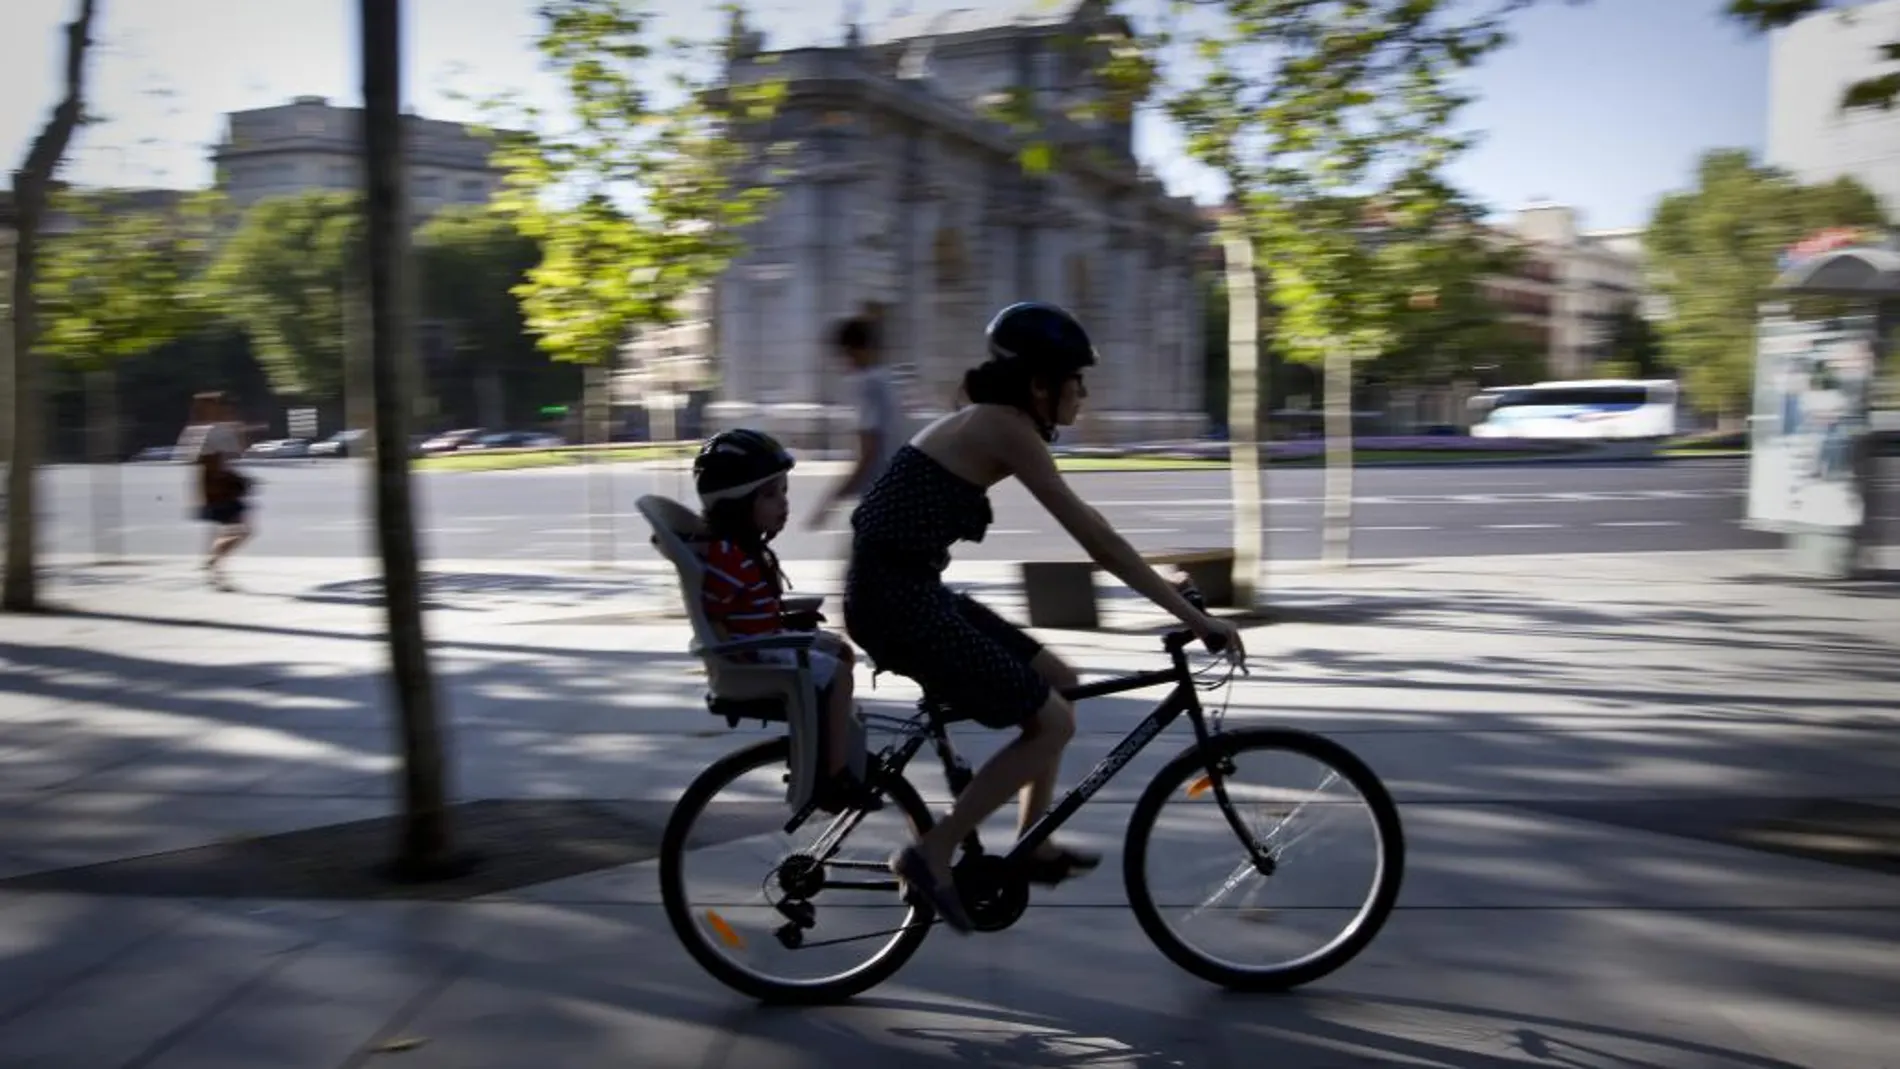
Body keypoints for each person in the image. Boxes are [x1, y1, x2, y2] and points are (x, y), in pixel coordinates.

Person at [842, 301, 1246, 932]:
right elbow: (1094, 538)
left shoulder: (995, 422)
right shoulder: (1005, 428)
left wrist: (1160, 582)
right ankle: (933, 850)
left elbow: (1096, 530)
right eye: (1076, 380)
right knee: (1051, 724)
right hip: (897, 604)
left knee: (1059, 679)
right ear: (1039, 384)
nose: (1083, 394)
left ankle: (1035, 844)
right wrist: (1193, 620)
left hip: (909, 590)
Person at [693, 428, 875, 814]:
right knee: (840, 675)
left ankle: (827, 743)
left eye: (784, 492)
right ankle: (835, 774)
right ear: (736, 502)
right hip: (757, 653)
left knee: (840, 653)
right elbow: (717, 612)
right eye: (770, 494)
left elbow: (747, 607)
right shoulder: (731, 558)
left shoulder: (739, 550)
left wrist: (787, 619)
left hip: (765, 641)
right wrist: (739, 653)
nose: (783, 503)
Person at [806, 313, 906, 531]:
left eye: (843, 354)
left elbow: (868, 454)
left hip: (878, 504)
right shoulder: (887, 379)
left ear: (853, 351)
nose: (843, 362)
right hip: (897, 496)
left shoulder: (867, 385)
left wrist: (829, 503)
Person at [175, 391, 253, 590]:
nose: (221, 407)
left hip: (206, 488)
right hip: (222, 488)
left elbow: (187, 457)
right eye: (217, 404)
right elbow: (238, 452)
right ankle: (213, 561)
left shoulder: (193, 431)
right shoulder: (217, 431)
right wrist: (239, 432)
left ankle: (215, 574)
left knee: (219, 531)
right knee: (243, 530)